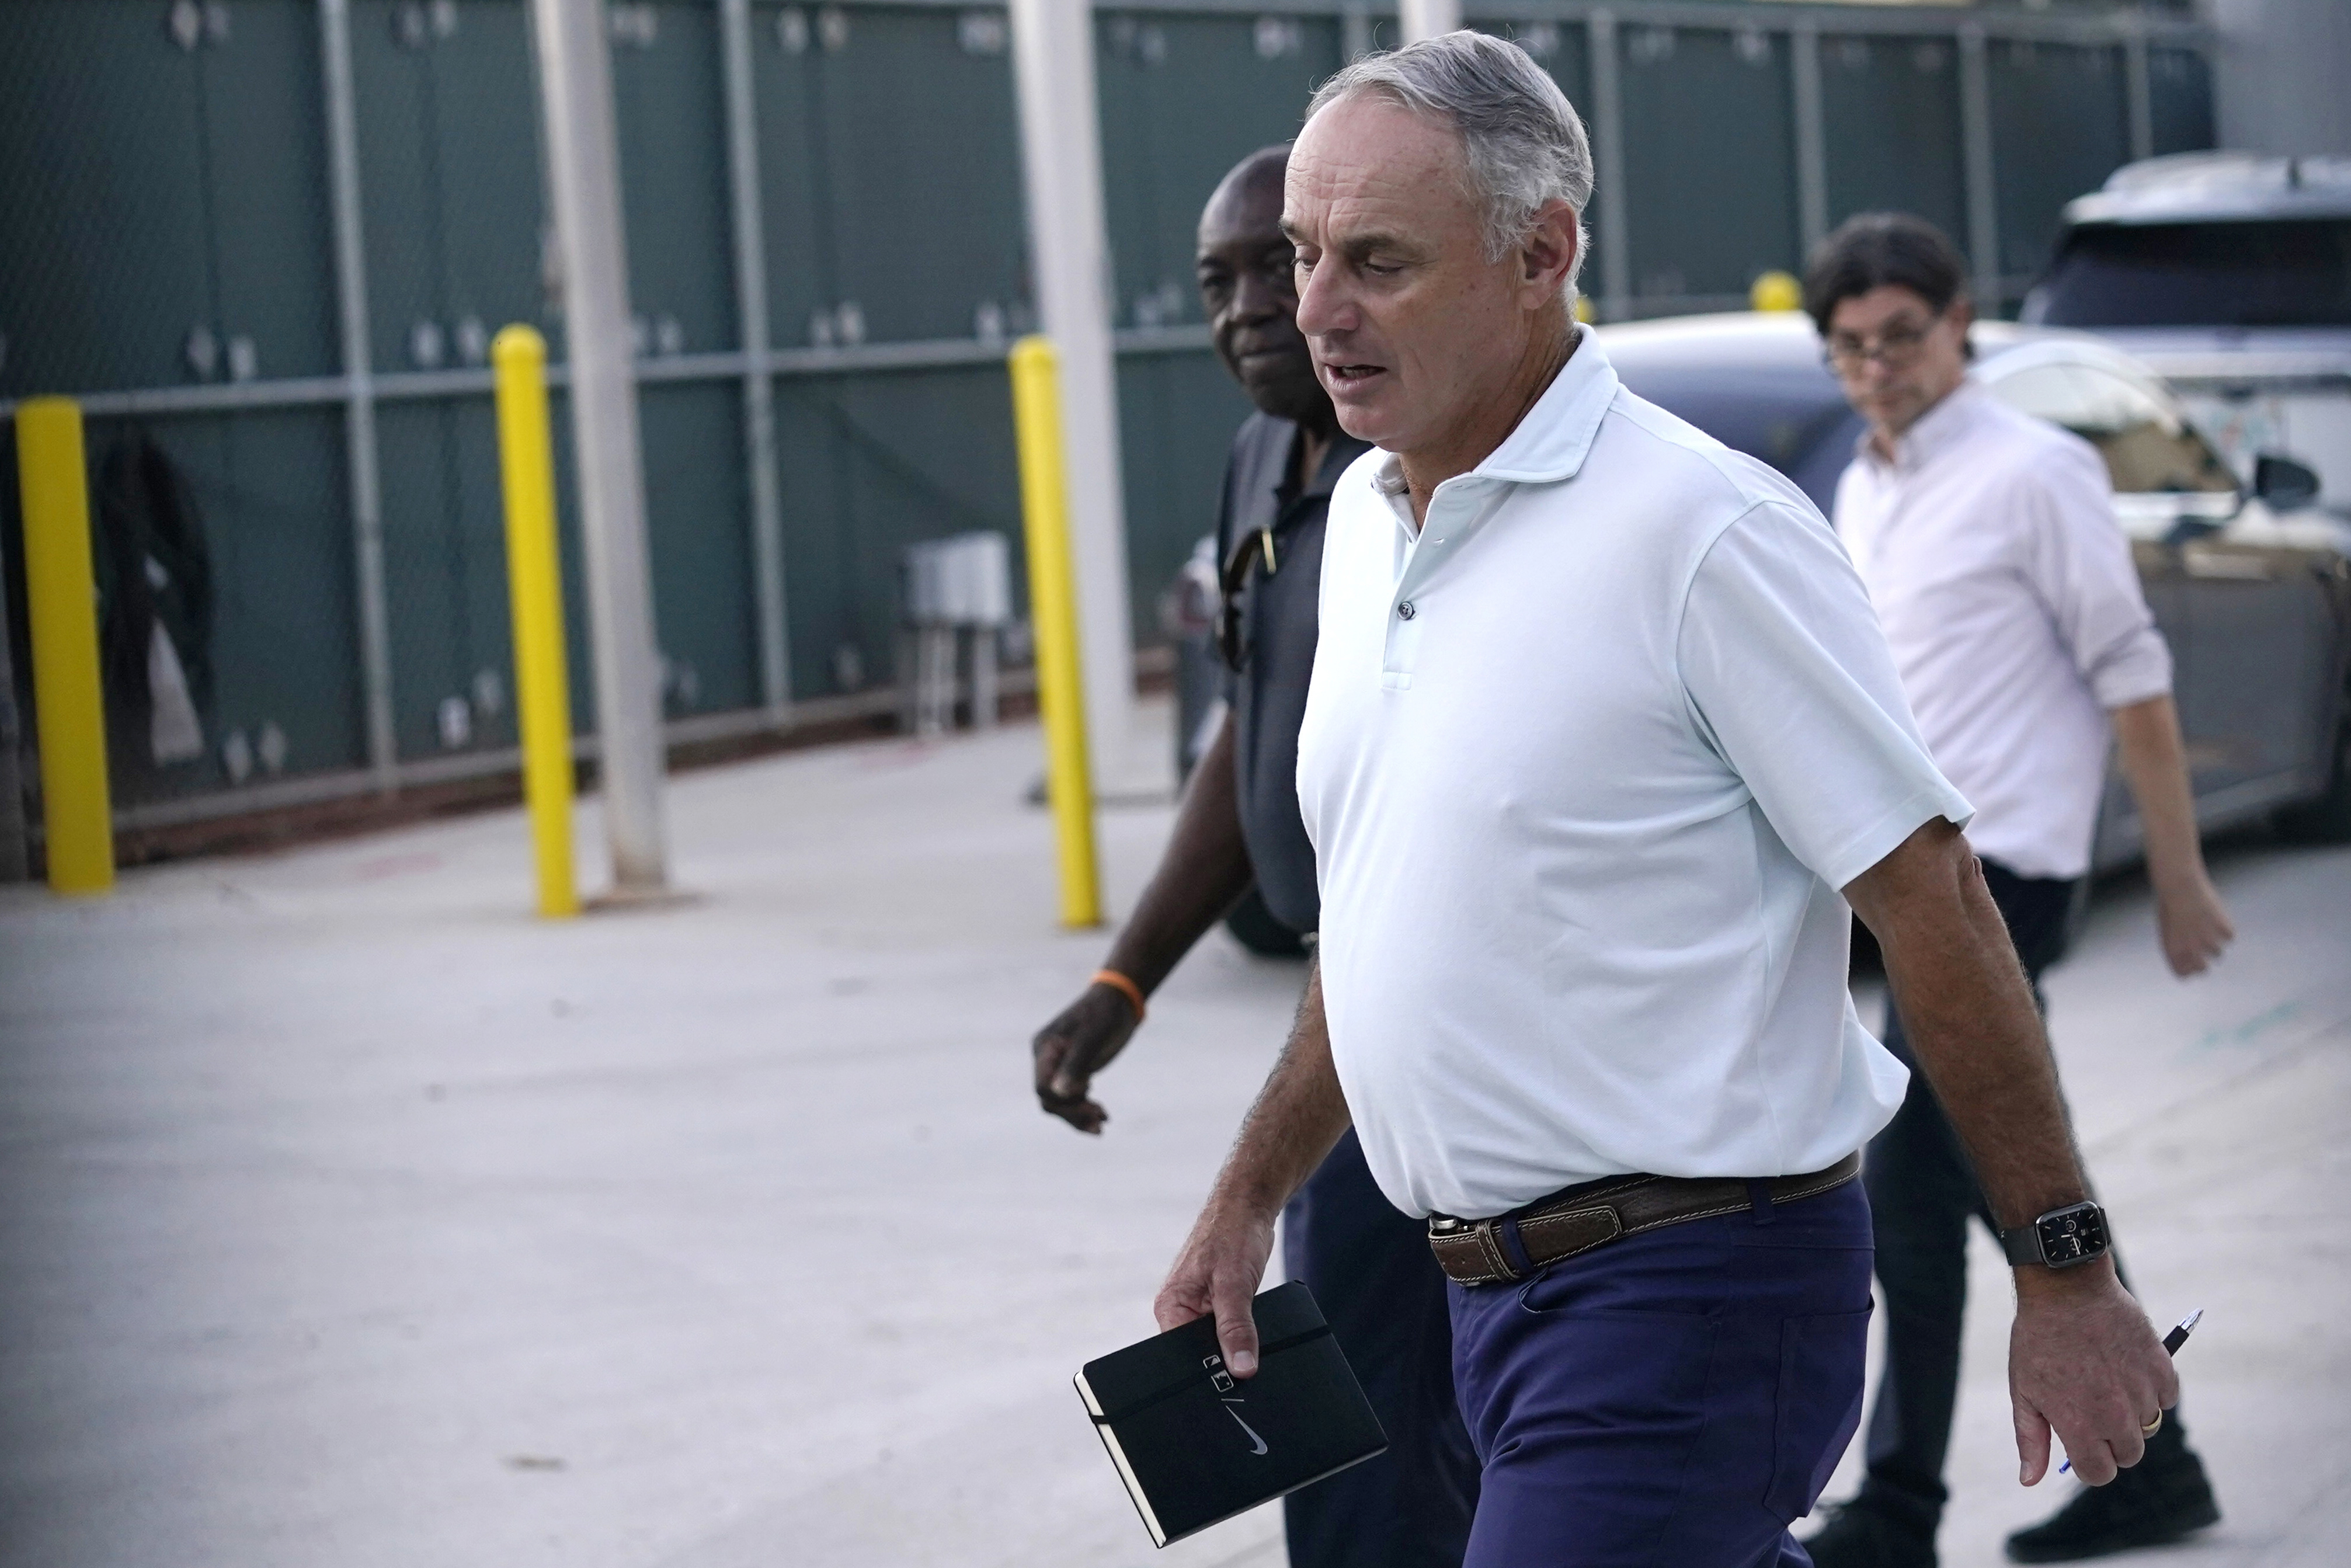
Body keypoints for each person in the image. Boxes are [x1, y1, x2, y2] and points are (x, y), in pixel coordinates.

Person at [1152, 32, 2182, 1568]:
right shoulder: (1369, 527)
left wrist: (2064, 1268)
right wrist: (1247, 1193)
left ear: (1540, 253)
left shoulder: (1703, 536)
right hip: (1473, 1294)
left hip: (1688, 1286)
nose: (1313, 309)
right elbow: (1373, 928)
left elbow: (1931, 899)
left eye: (1375, 259)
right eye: (1303, 253)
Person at [1028, 147, 1479, 1568]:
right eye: (1224, 279)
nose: (1250, 308)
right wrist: (1127, 975)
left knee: (1376, 1420)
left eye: (1276, 269)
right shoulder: (1260, 465)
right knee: (1365, 1416)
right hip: (1334, 1004)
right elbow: (1250, 736)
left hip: (1436, 1025)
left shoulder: (1415, 477)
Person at [1798, 213, 2231, 1568]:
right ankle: (2105, 1471)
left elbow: (2132, 672)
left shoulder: (2036, 470)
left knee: (1979, 1187)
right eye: (1852, 349)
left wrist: (2177, 875)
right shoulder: (1866, 482)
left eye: (1902, 339)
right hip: (1907, 882)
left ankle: (1923, 1501)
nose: (1879, 368)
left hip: (2011, 873)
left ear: (1959, 317)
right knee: (1949, 1191)